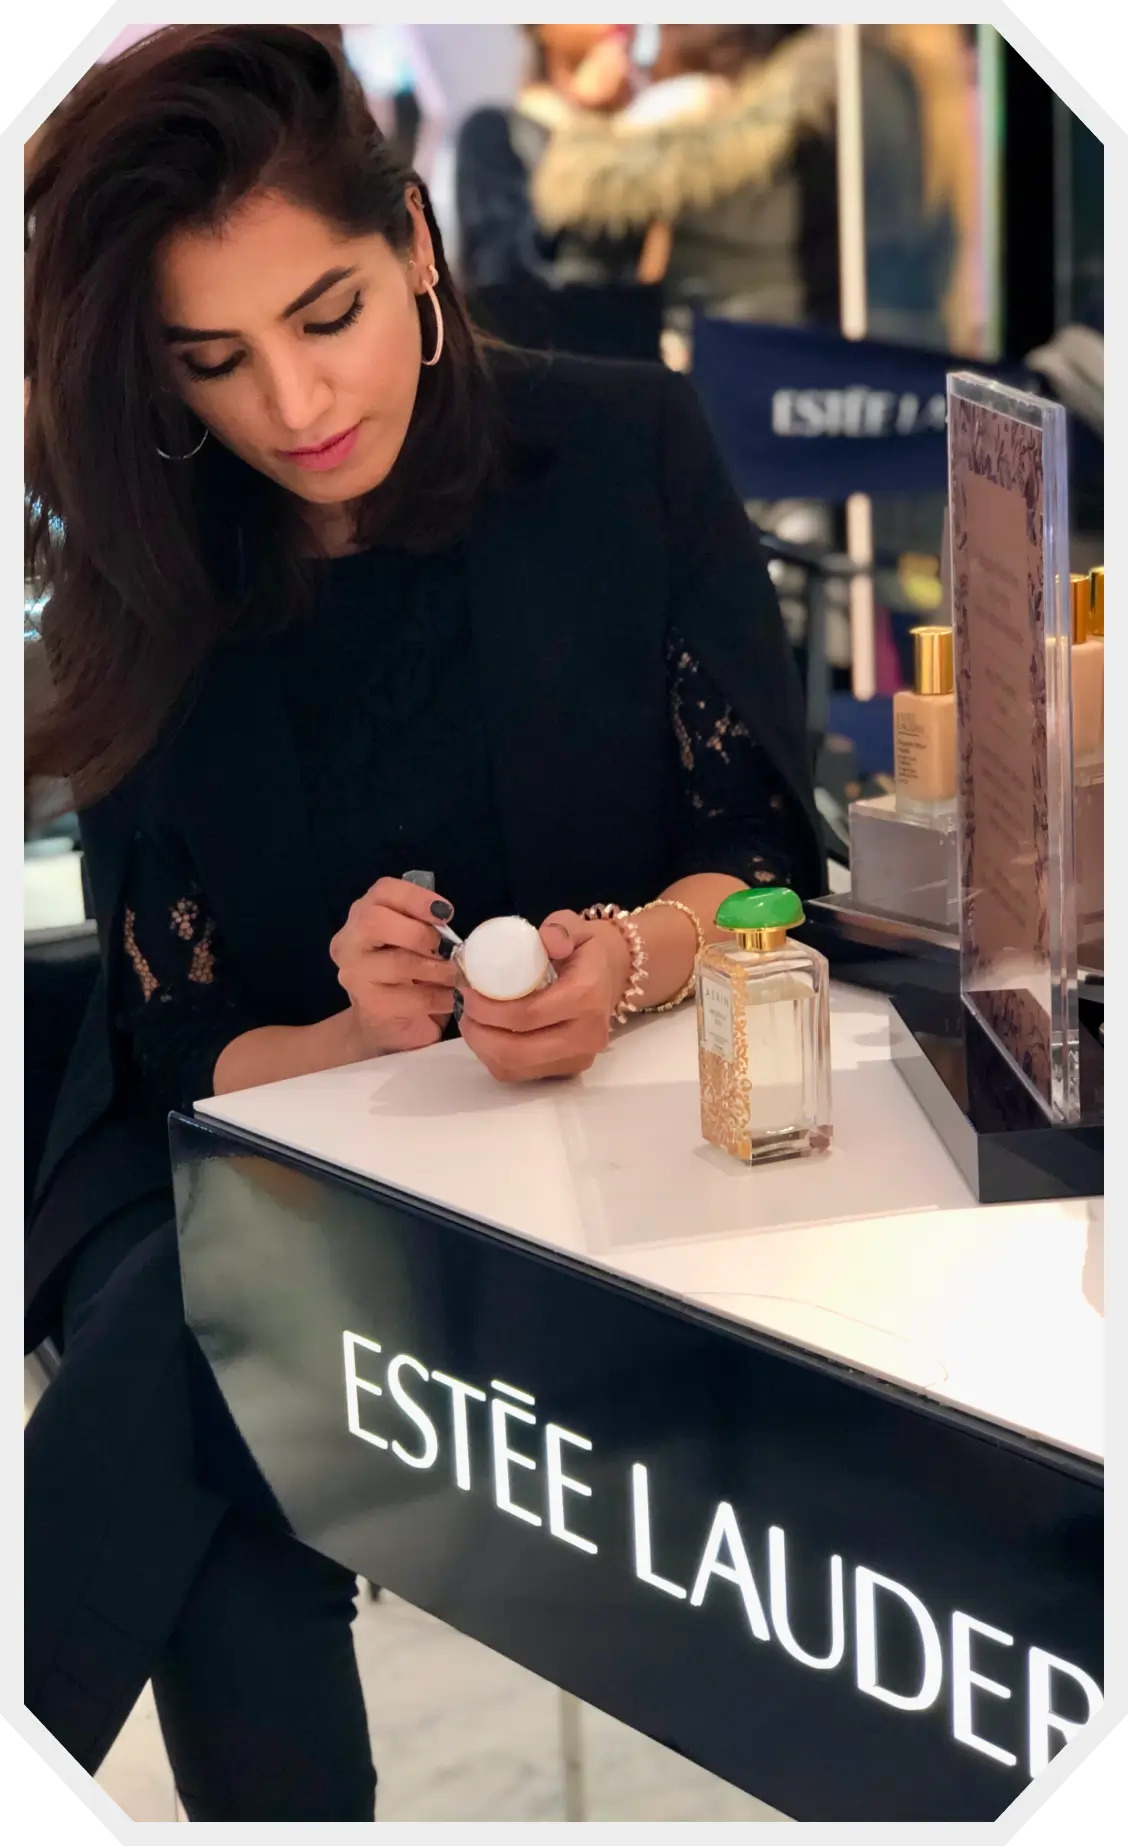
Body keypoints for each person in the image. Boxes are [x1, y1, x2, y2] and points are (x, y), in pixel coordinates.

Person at [24, 25, 821, 1821]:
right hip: (225, 1156)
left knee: (205, 1407)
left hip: (576, 1161)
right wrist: (347, 1038)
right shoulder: (152, 556)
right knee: (212, 1347)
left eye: (328, 315)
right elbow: (176, 1035)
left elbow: (766, 860)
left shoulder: (619, 451)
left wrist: (622, 962)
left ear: (419, 256)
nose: (293, 408)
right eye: (211, 361)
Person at [531, 23, 961, 347]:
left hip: (775, 368)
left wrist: (612, 146)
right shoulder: (836, 75)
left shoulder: (830, 81)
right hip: (793, 362)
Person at [454, 24, 643, 294]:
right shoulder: (494, 132)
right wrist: (587, 129)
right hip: (542, 327)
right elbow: (502, 271)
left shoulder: (639, 130)